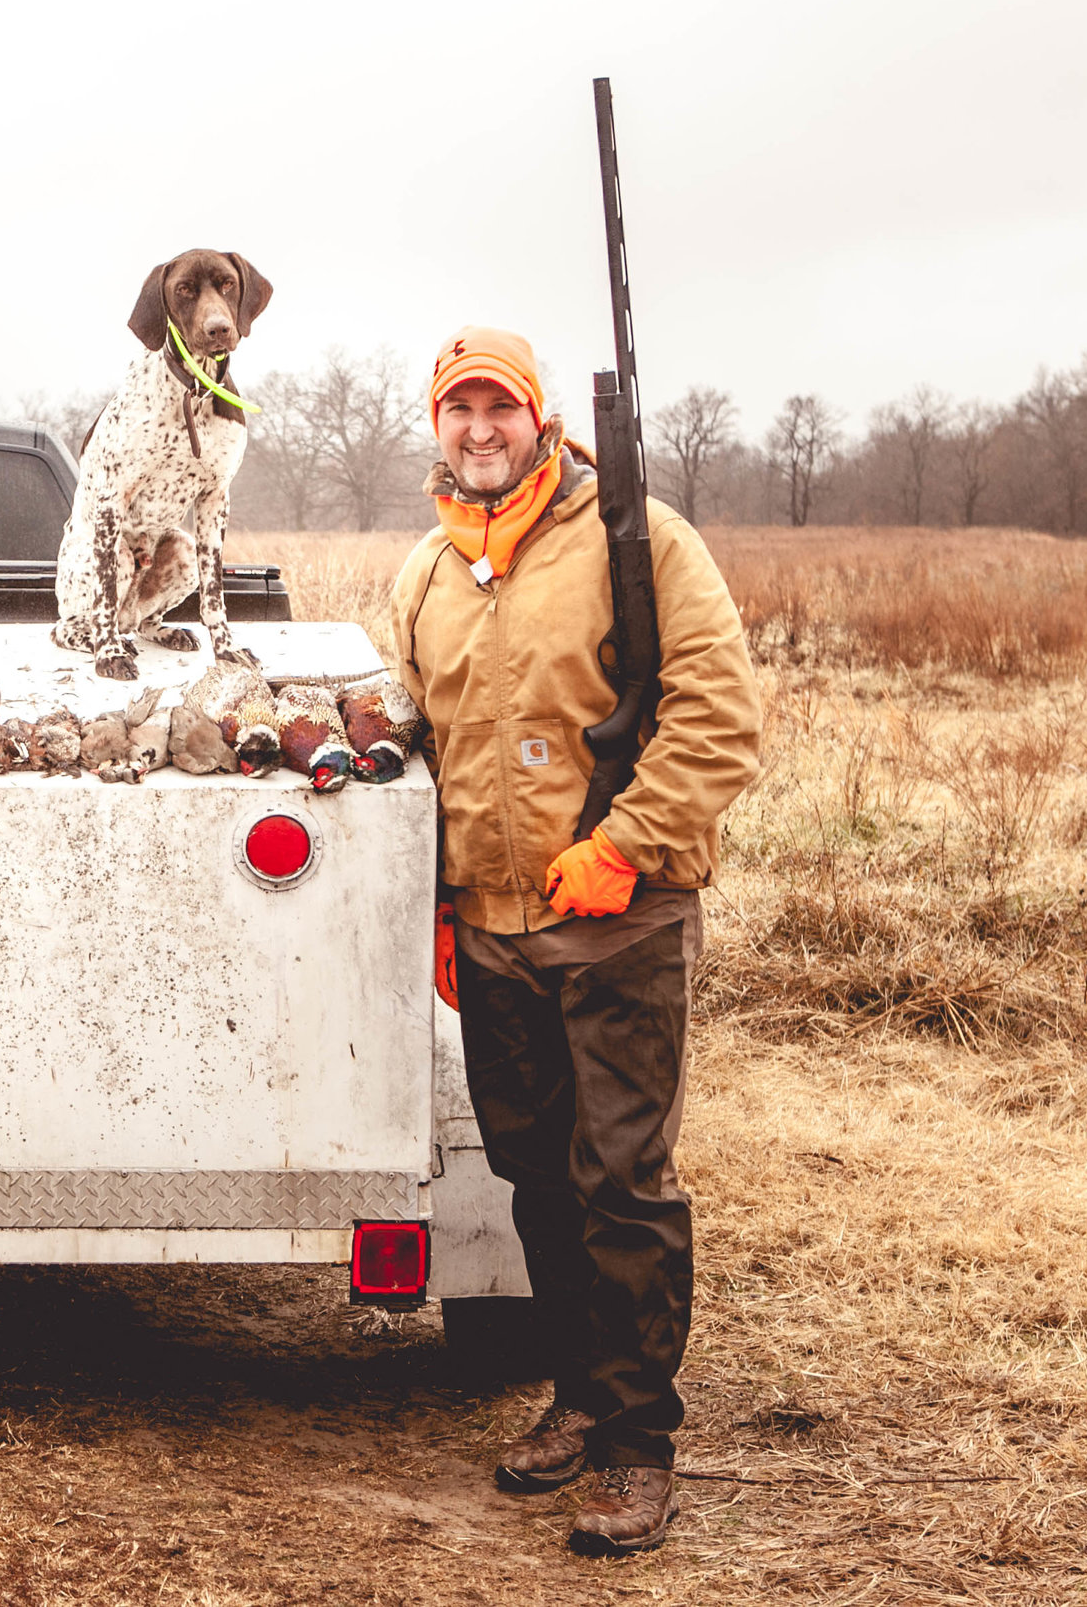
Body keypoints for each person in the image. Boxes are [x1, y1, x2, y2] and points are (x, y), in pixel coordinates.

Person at [387, 326, 761, 1555]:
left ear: (540, 419)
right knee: (536, 1176)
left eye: (500, 407)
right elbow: (425, 744)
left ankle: (638, 1446)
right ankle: (579, 1392)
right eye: (459, 410)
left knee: (622, 1184)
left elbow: (718, 717)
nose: (480, 429)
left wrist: (628, 842)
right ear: (436, 428)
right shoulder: (428, 574)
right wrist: (441, 899)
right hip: (492, 932)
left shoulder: (634, 539)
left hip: (617, 920)